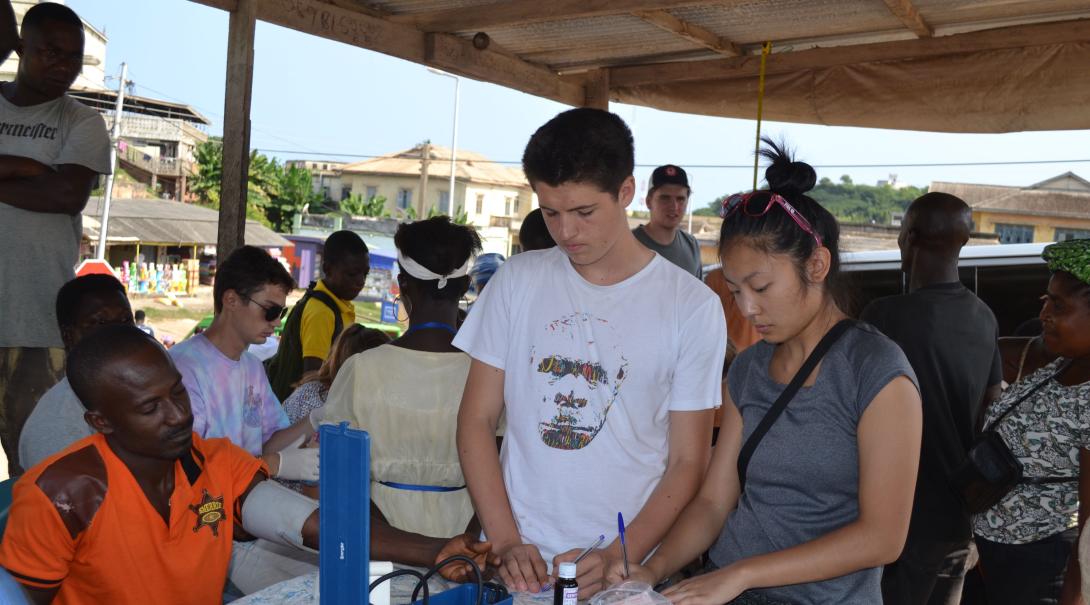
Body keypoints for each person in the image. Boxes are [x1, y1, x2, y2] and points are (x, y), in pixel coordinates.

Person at [607, 139, 922, 604]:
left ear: (816, 265)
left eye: (761, 286)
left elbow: (883, 537)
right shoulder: (751, 369)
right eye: (735, 290)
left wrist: (742, 574)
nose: (747, 308)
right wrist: (651, 570)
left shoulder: (875, 371)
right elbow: (715, 501)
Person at [455, 108, 726, 598]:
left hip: (626, 571)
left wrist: (621, 555)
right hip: (520, 566)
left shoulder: (692, 306)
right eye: (550, 213)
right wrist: (506, 541)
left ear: (625, 192)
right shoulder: (516, 282)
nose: (566, 233)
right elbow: (476, 419)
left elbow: (689, 460)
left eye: (583, 213)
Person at [0, 326, 320, 605]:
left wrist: (360, 538)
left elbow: (307, 523)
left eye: (178, 391)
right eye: (151, 407)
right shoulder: (60, 496)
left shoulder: (215, 459)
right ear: (102, 422)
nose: (179, 414)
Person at [323, 215, 491, 575]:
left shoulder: (362, 369)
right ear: (464, 286)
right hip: (469, 550)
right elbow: (503, 466)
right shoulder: (488, 374)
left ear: (403, 285)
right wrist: (467, 541)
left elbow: (341, 477)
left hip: (380, 547)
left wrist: (390, 538)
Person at [860, 192, 1002, 605]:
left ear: (910, 238)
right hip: (959, 517)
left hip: (896, 515)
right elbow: (990, 406)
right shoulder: (985, 316)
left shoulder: (883, 316)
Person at [0, 1, 111, 476]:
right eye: (50, 52)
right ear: (22, 47)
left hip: (37, 326)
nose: (63, 65)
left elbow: (67, 192)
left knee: (42, 474)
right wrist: (28, 170)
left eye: (73, 57)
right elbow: (49, 185)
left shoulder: (82, 121)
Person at [167, 246, 320, 594]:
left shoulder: (251, 365)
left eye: (281, 312)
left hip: (250, 512)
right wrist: (275, 464)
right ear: (232, 300)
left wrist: (313, 420)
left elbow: (271, 437)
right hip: (208, 519)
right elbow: (190, 467)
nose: (276, 323)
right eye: (270, 311)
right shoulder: (185, 369)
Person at [972, 238, 1090, 605]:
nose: (1044, 315)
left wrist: (1074, 593)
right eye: (1046, 302)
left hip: (1042, 567)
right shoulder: (1062, 365)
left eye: (1059, 306)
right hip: (995, 557)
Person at [18, 274, 133, 470]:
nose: (118, 333)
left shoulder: (137, 388)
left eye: (125, 319)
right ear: (69, 336)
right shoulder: (56, 425)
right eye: (100, 323)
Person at [279, 324, 390, 496]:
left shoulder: (309, 392)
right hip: (300, 504)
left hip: (282, 496)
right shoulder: (318, 403)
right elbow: (314, 488)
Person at [267, 230, 370, 400]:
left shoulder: (337, 305)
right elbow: (312, 379)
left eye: (365, 274)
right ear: (327, 269)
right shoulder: (321, 312)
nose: (360, 281)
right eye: (352, 274)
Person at [631, 164, 702, 278]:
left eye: (680, 199)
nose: (674, 206)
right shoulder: (628, 244)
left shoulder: (692, 246)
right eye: (665, 198)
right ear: (649, 201)